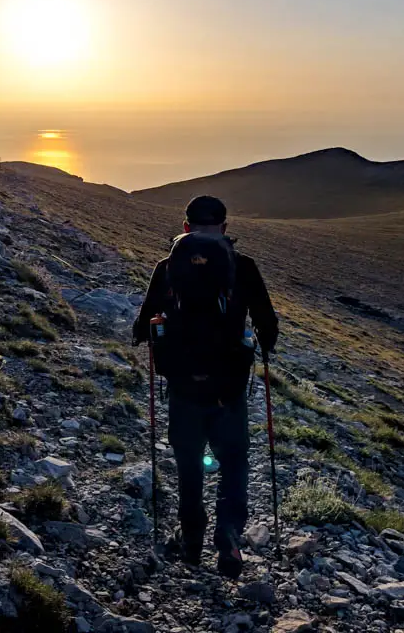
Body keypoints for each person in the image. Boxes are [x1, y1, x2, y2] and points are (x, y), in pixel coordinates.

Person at [133, 195, 278, 579]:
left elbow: (142, 324)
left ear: (185, 228)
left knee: (188, 464)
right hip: (229, 387)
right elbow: (268, 325)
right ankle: (228, 535)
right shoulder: (243, 267)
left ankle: (192, 539)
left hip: (183, 388)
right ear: (225, 229)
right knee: (233, 461)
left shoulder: (168, 267)